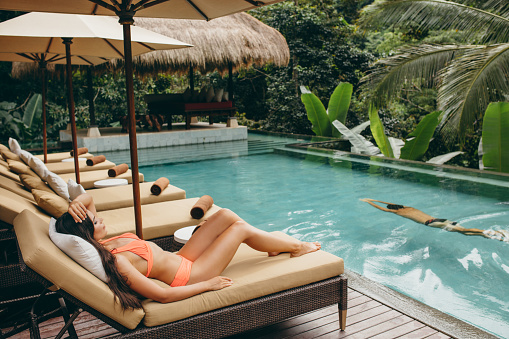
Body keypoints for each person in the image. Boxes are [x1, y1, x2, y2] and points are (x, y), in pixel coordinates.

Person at [56, 193, 321, 310]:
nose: (97, 217)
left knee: (226, 215)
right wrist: (207, 284)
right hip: (191, 274)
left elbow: (87, 199)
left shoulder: (103, 241)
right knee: (239, 229)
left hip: (181, 258)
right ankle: (297, 248)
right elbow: (162, 295)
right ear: (86, 233)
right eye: (91, 220)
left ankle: (272, 247)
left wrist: (74, 205)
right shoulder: (118, 261)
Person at [360, 198, 508, 241]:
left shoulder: (399, 213)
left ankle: (493, 232)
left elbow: (383, 209)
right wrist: (375, 199)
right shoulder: (409, 208)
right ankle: (487, 235)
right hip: (440, 219)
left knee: (463, 230)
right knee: (463, 232)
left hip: (434, 224)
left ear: (393, 209)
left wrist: (369, 202)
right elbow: (387, 203)